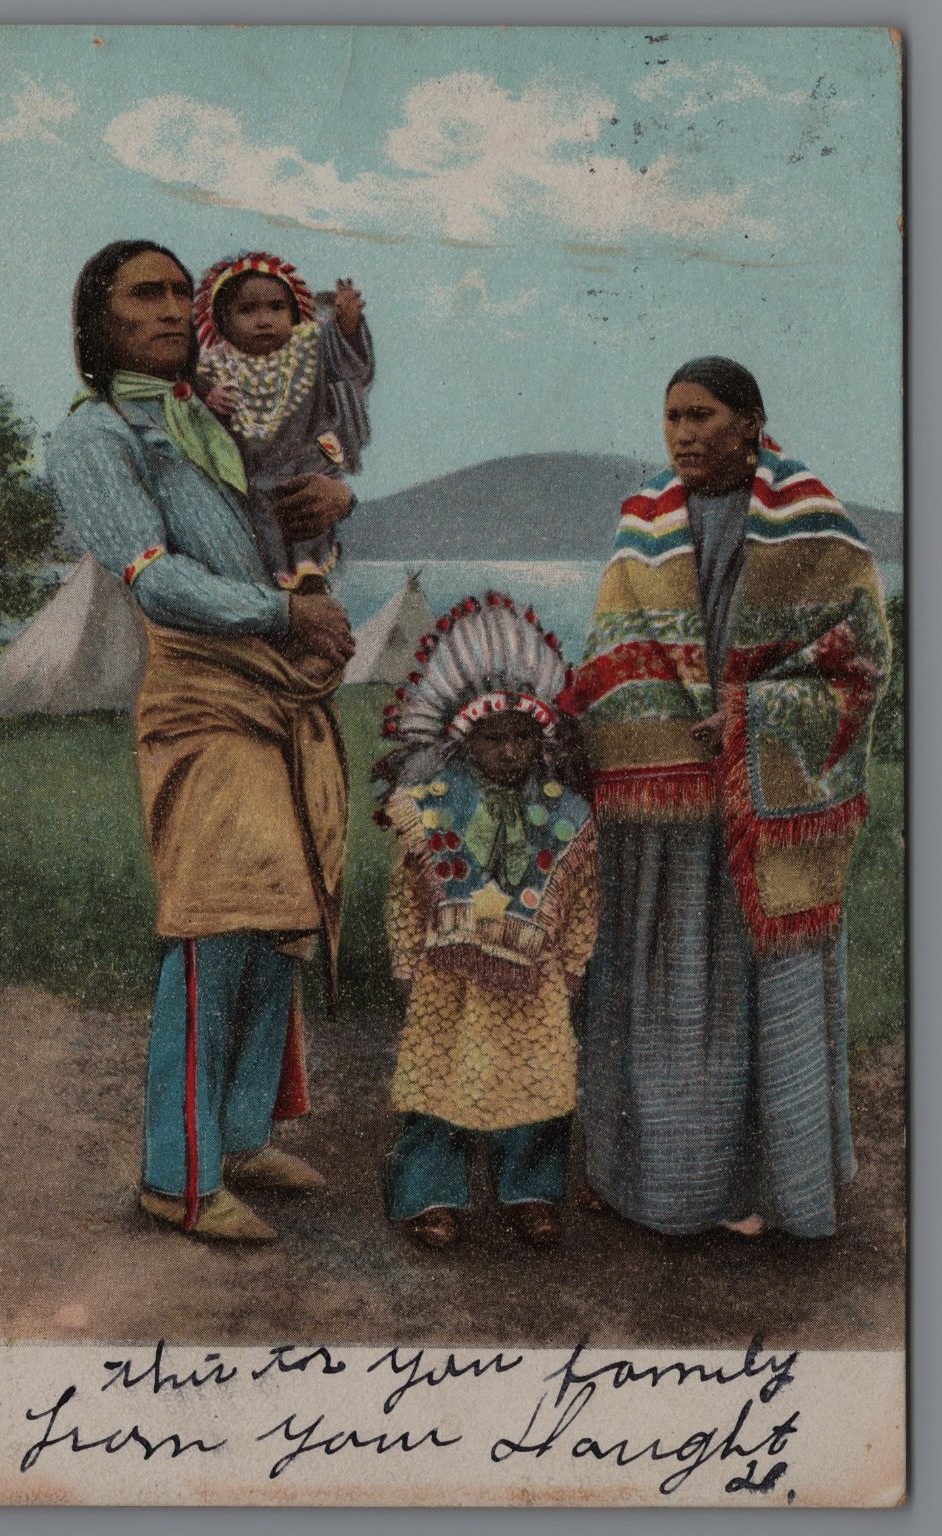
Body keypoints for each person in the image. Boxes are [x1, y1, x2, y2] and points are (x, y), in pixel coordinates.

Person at [46, 239, 356, 1243]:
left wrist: (337, 498)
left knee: (280, 918)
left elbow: (293, 508)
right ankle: (175, 1176)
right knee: (220, 921)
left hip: (272, 692)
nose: (173, 308)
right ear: (98, 321)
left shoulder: (214, 413)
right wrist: (284, 614)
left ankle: (238, 1135)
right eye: (146, 293)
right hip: (199, 696)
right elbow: (156, 579)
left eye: (182, 292)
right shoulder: (97, 435)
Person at [558, 357, 891, 1240]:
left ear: (750, 423)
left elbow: (860, 660)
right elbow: (615, 649)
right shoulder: (643, 523)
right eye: (671, 417)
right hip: (666, 811)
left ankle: (773, 1189)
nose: (682, 433)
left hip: (760, 811)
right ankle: (663, 1185)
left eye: (701, 415)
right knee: (664, 985)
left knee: (758, 991)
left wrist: (749, 715)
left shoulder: (814, 523)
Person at [377, 593, 597, 1250]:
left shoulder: (566, 813)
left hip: (533, 978)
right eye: (493, 738)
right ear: (464, 740)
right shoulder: (430, 807)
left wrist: (573, 963)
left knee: (537, 1084)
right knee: (440, 1083)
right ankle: (430, 1193)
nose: (508, 753)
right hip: (450, 978)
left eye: (521, 737)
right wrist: (406, 959)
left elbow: (580, 895)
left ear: (541, 739)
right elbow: (406, 893)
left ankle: (530, 1192)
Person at [193, 251, 373, 620]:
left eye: (277, 308)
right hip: (247, 482)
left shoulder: (309, 349)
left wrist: (348, 324)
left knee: (304, 536)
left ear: (294, 313)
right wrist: (208, 395)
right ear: (222, 321)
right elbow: (186, 395)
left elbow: (347, 363)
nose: (264, 320)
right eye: (247, 310)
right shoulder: (213, 365)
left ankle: (309, 588)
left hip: (302, 474)